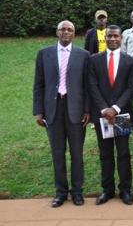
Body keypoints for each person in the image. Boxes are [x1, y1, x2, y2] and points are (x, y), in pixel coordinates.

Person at [33, 20, 90, 208]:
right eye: (62, 29)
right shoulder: (44, 54)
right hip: (53, 110)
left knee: (76, 154)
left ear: (74, 34)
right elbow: (38, 85)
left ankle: (77, 192)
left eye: (70, 30)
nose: (66, 32)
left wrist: (87, 110)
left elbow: (87, 86)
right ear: (57, 32)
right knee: (57, 153)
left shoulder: (83, 55)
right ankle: (60, 193)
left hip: (75, 110)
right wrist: (38, 111)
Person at [88, 25, 133, 205]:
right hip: (101, 115)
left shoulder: (129, 61)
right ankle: (107, 190)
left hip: (121, 114)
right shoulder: (93, 60)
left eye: (116, 36)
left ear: (121, 38)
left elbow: (130, 88)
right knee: (105, 154)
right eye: (109, 36)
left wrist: (115, 108)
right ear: (105, 38)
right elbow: (92, 86)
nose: (113, 39)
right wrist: (104, 109)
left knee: (123, 153)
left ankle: (125, 190)